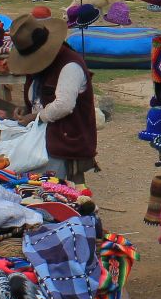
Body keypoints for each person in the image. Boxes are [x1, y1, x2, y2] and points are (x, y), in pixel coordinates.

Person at [6, 10, 97, 181]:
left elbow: (64, 105)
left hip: (65, 140)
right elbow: (39, 97)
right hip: (42, 137)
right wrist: (27, 108)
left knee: (56, 189)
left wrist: (36, 116)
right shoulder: (40, 68)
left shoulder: (70, 65)